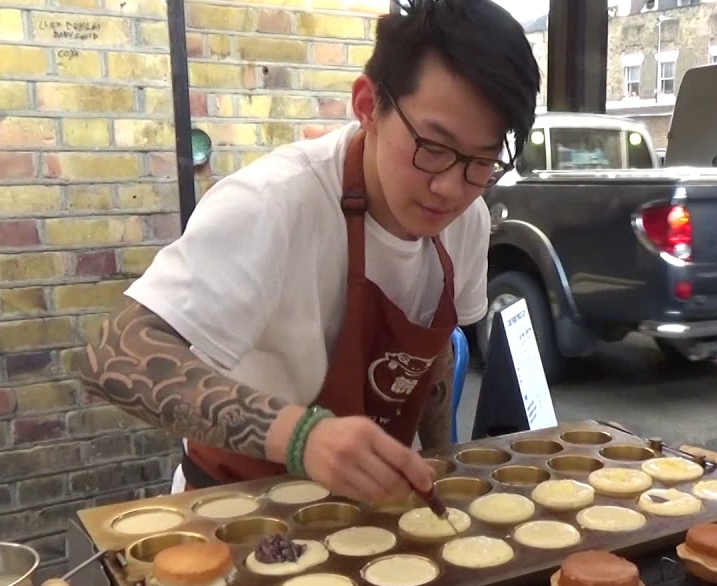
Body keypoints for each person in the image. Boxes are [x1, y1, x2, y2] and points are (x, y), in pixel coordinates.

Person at [79, 0, 540, 503]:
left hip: (380, 514)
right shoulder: (273, 204)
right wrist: (303, 437)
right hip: (239, 511)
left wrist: (441, 476)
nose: (450, 188)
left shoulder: (465, 222)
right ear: (368, 105)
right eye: (432, 147)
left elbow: (432, 364)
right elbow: (114, 355)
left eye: (481, 161)